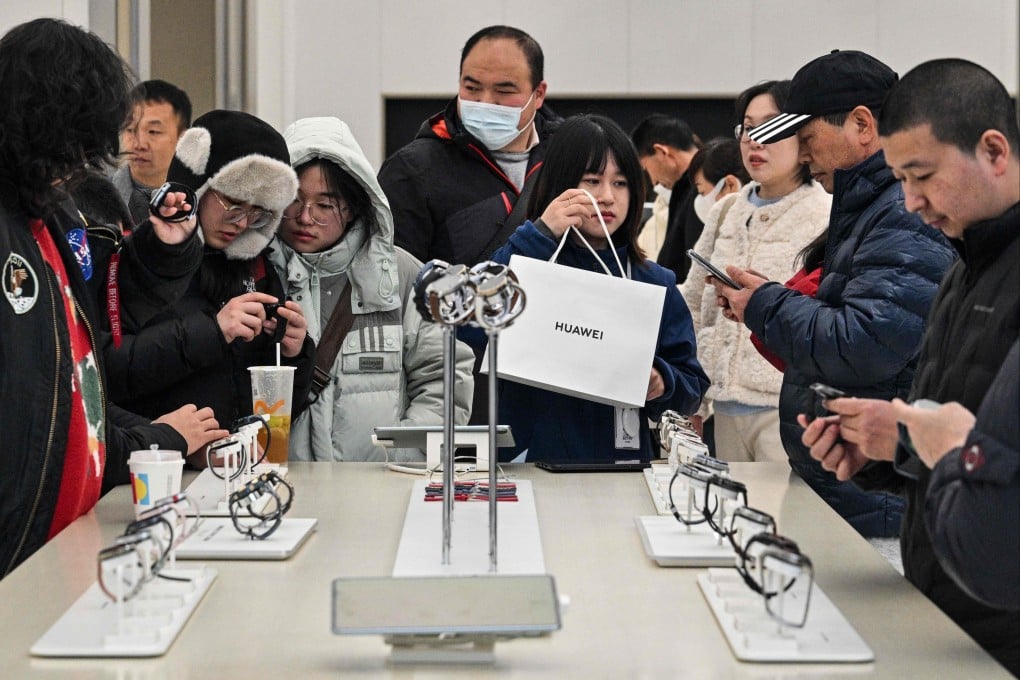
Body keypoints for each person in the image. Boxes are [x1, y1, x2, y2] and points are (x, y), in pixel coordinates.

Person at [801, 58, 1020, 673]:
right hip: (943, 611)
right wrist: (887, 446)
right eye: (898, 179)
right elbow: (961, 432)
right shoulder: (960, 268)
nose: (911, 202)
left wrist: (941, 445)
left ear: (994, 151)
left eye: (921, 175)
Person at [0, 18, 226, 578]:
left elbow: (84, 366)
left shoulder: (51, 216)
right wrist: (156, 440)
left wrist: (160, 253)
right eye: (76, 143)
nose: (84, 163)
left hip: (64, 540)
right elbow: (31, 415)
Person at [715, 50, 956, 537]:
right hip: (849, 487)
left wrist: (767, 304)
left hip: (877, 503)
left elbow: (864, 343)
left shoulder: (901, 214)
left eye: (807, 139)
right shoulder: (866, 209)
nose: (801, 155)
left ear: (862, 125)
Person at [480, 114, 709, 464]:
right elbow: (471, 325)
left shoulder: (653, 281)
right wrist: (538, 235)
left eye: (620, 183)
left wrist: (663, 380)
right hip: (530, 465)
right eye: (592, 180)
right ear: (560, 185)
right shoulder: (529, 263)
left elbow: (691, 384)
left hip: (621, 466)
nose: (607, 197)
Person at [104, 110, 316, 464]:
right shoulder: (140, 259)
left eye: (259, 213)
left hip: (240, 470)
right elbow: (107, 374)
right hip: (156, 472)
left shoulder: (257, 265)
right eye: (233, 205)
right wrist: (214, 330)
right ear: (197, 186)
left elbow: (273, 402)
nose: (243, 223)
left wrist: (294, 354)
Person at [268, 117, 474, 461]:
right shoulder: (255, 275)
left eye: (325, 205)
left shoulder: (402, 274)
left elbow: (445, 381)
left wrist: (400, 459)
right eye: (294, 201)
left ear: (353, 206)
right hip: (280, 491)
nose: (305, 217)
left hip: (380, 494)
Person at [680, 81, 830, 463]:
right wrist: (693, 399)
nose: (755, 140)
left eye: (772, 125)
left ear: (802, 135)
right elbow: (694, 305)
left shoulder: (826, 212)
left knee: (787, 521)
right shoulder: (728, 208)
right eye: (748, 127)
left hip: (788, 410)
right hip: (723, 407)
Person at [379, 25, 561, 267]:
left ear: (538, 94)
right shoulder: (412, 170)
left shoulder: (569, 157)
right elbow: (394, 282)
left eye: (504, 90)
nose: (484, 102)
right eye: (472, 88)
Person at [891, 340, 1018, 614]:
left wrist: (953, 454)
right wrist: (901, 442)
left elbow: (993, 546)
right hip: (930, 582)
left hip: (992, 613)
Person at [630, 114, 703, 282]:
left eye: (646, 168)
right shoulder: (682, 188)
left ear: (662, 152)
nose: (652, 180)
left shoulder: (702, 186)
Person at [112, 79, 192, 227]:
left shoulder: (205, 201)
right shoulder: (99, 202)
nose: (139, 144)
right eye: (130, 129)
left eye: (153, 132)